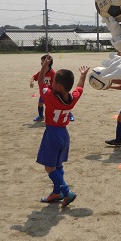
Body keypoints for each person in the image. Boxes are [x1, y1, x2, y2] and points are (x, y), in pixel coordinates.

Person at [36, 54, 89, 207]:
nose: (50, 83)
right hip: (64, 134)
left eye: (53, 81)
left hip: (52, 134)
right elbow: (80, 88)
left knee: (49, 167)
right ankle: (56, 192)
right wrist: (83, 75)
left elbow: (40, 81)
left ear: (58, 86)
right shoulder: (72, 98)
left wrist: (43, 68)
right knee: (58, 165)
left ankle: (66, 192)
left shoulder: (50, 97)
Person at [30, 54, 55, 121]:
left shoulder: (52, 73)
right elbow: (34, 77)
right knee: (40, 104)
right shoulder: (41, 72)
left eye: (42, 61)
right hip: (44, 92)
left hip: (51, 93)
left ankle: (69, 113)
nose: (41, 63)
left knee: (52, 106)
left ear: (48, 62)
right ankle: (41, 116)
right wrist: (31, 81)